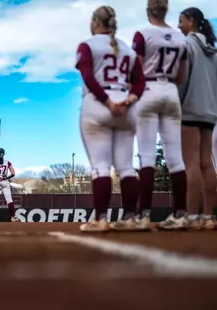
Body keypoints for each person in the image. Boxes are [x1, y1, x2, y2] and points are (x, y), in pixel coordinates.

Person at [76, 5, 146, 232]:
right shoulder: (127, 49)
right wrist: (128, 100)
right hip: (125, 106)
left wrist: (107, 102)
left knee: (100, 167)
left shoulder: (88, 45)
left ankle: (101, 218)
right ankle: (129, 218)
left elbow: (88, 77)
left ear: (96, 22)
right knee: (126, 167)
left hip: (98, 105)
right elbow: (140, 83)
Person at [132, 0, 188, 231]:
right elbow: (181, 76)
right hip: (171, 92)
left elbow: (137, 70)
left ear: (148, 11)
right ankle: (180, 214)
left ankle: (143, 214)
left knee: (146, 156)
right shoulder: (180, 37)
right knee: (175, 157)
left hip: (148, 89)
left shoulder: (143, 34)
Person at [178, 7, 217, 229]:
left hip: (191, 110)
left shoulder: (187, 45)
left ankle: (191, 215)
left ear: (191, 22)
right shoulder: (213, 50)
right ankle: (209, 216)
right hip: (210, 113)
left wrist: (177, 105)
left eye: (181, 21)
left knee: (190, 163)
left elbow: (182, 79)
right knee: (206, 163)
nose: (178, 25)